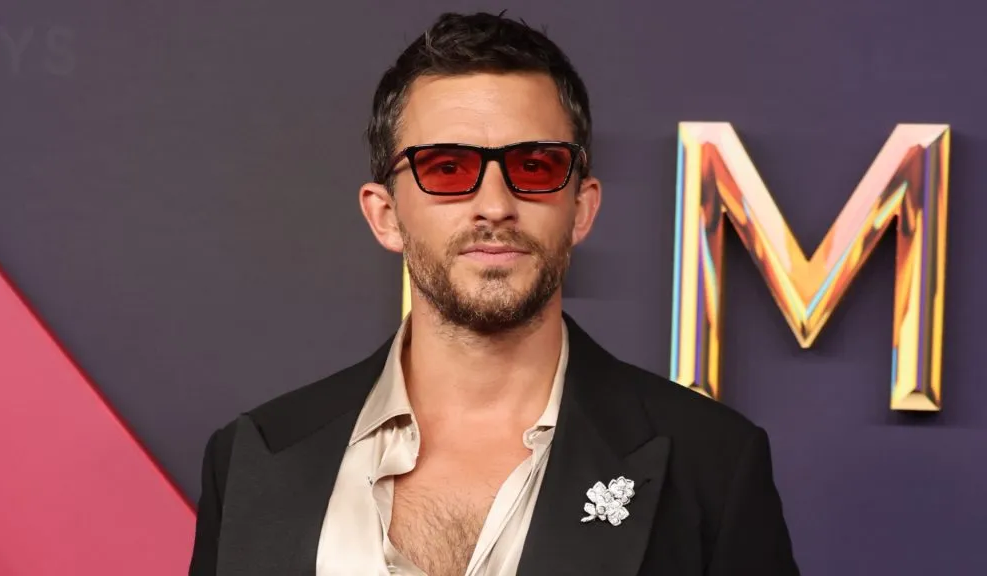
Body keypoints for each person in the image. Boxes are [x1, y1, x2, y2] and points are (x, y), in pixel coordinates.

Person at [189, 11, 798, 576]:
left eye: (533, 167)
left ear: (581, 208)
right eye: (447, 169)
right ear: (384, 215)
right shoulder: (253, 457)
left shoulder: (712, 464)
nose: (495, 206)